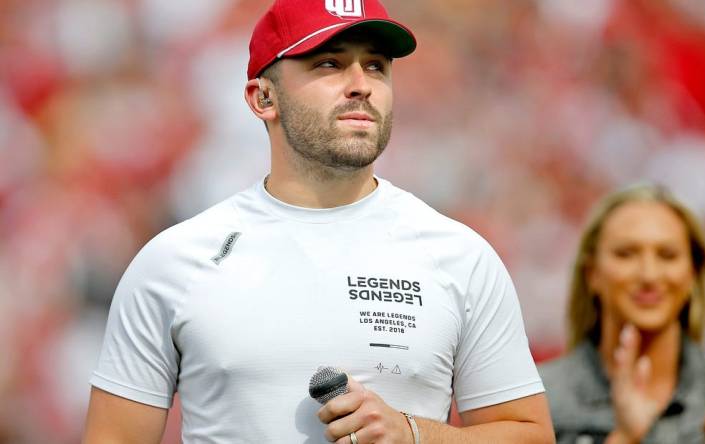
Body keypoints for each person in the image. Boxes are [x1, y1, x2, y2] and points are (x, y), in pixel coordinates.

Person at [82, 0, 554, 442]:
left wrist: (415, 433)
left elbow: (529, 433)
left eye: (375, 66)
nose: (361, 83)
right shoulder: (174, 261)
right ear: (262, 97)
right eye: (328, 63)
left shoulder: (460, 256)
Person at [539, 184, 705, 444]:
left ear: (694, 273)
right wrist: (623, 438)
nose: (648, 275)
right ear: (592, 273)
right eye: (626, 254)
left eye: (667, 255)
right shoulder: (540, 399)